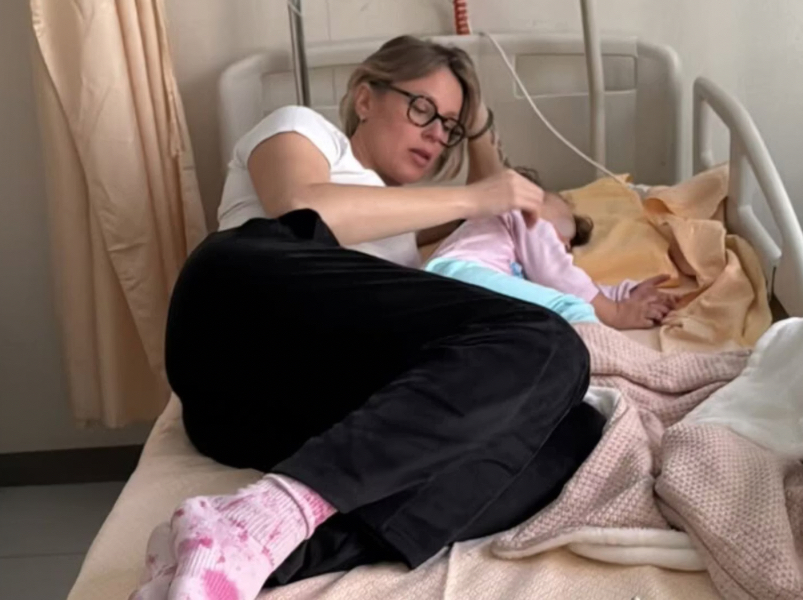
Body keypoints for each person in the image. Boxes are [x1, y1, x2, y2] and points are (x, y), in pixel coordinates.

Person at [131, 35, 609, 600]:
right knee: (548, 343)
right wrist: (475, 197)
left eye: (450, 127)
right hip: (236, 316)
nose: (436, 135)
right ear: (365, 98)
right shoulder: (304, 129)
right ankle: (266, 521)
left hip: (288, 412)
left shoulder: (408, 229)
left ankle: (248, 548)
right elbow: (302, 206)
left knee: (568, 433)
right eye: (423, 109)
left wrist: (478, 130)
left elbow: (497, 207)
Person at [426, 166, 674, 328]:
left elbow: (567, 284)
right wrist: (615, 312)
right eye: (561, 229)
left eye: (567, 249)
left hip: (446, 300)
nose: (562, 248)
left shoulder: (520, 263)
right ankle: (620, 365)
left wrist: (625, 293)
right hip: (455, 276)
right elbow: (559, 277)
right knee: (574, 313)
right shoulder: (520, 211)